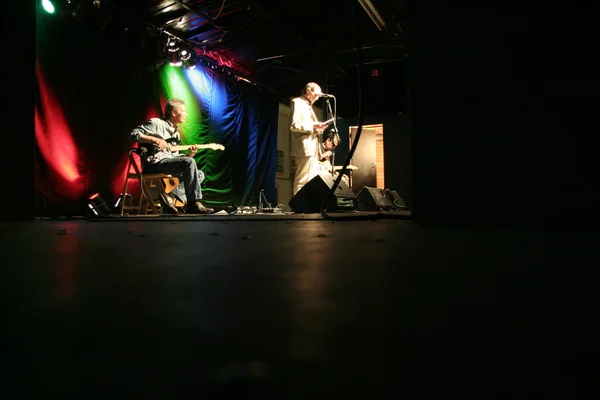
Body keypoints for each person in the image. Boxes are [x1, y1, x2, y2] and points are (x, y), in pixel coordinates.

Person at [128, 98, 214, 214]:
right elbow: (132, 135)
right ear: (173, 112)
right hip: (153, 164)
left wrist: (190, 154)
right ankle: (193, 204)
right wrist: (155, 139)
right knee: (189, 163)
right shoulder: (156, 123)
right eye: (183, 110)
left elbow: (175, 156)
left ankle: (168, 197)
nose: (186, 114)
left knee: (199, 174)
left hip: (167, 163)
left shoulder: (176, 134)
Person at [290, 82, 330, 195]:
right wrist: (313, 128)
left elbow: (310, 128)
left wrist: (318, 129)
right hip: (305, 147)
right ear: (308, 91)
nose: (317, 98)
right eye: (316, 95)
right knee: (302, 179)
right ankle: (297, 207)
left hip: (312, 148)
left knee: (311, 179)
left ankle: (307, 206)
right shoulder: (297, 102)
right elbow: (294, 125)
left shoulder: (308, 106)